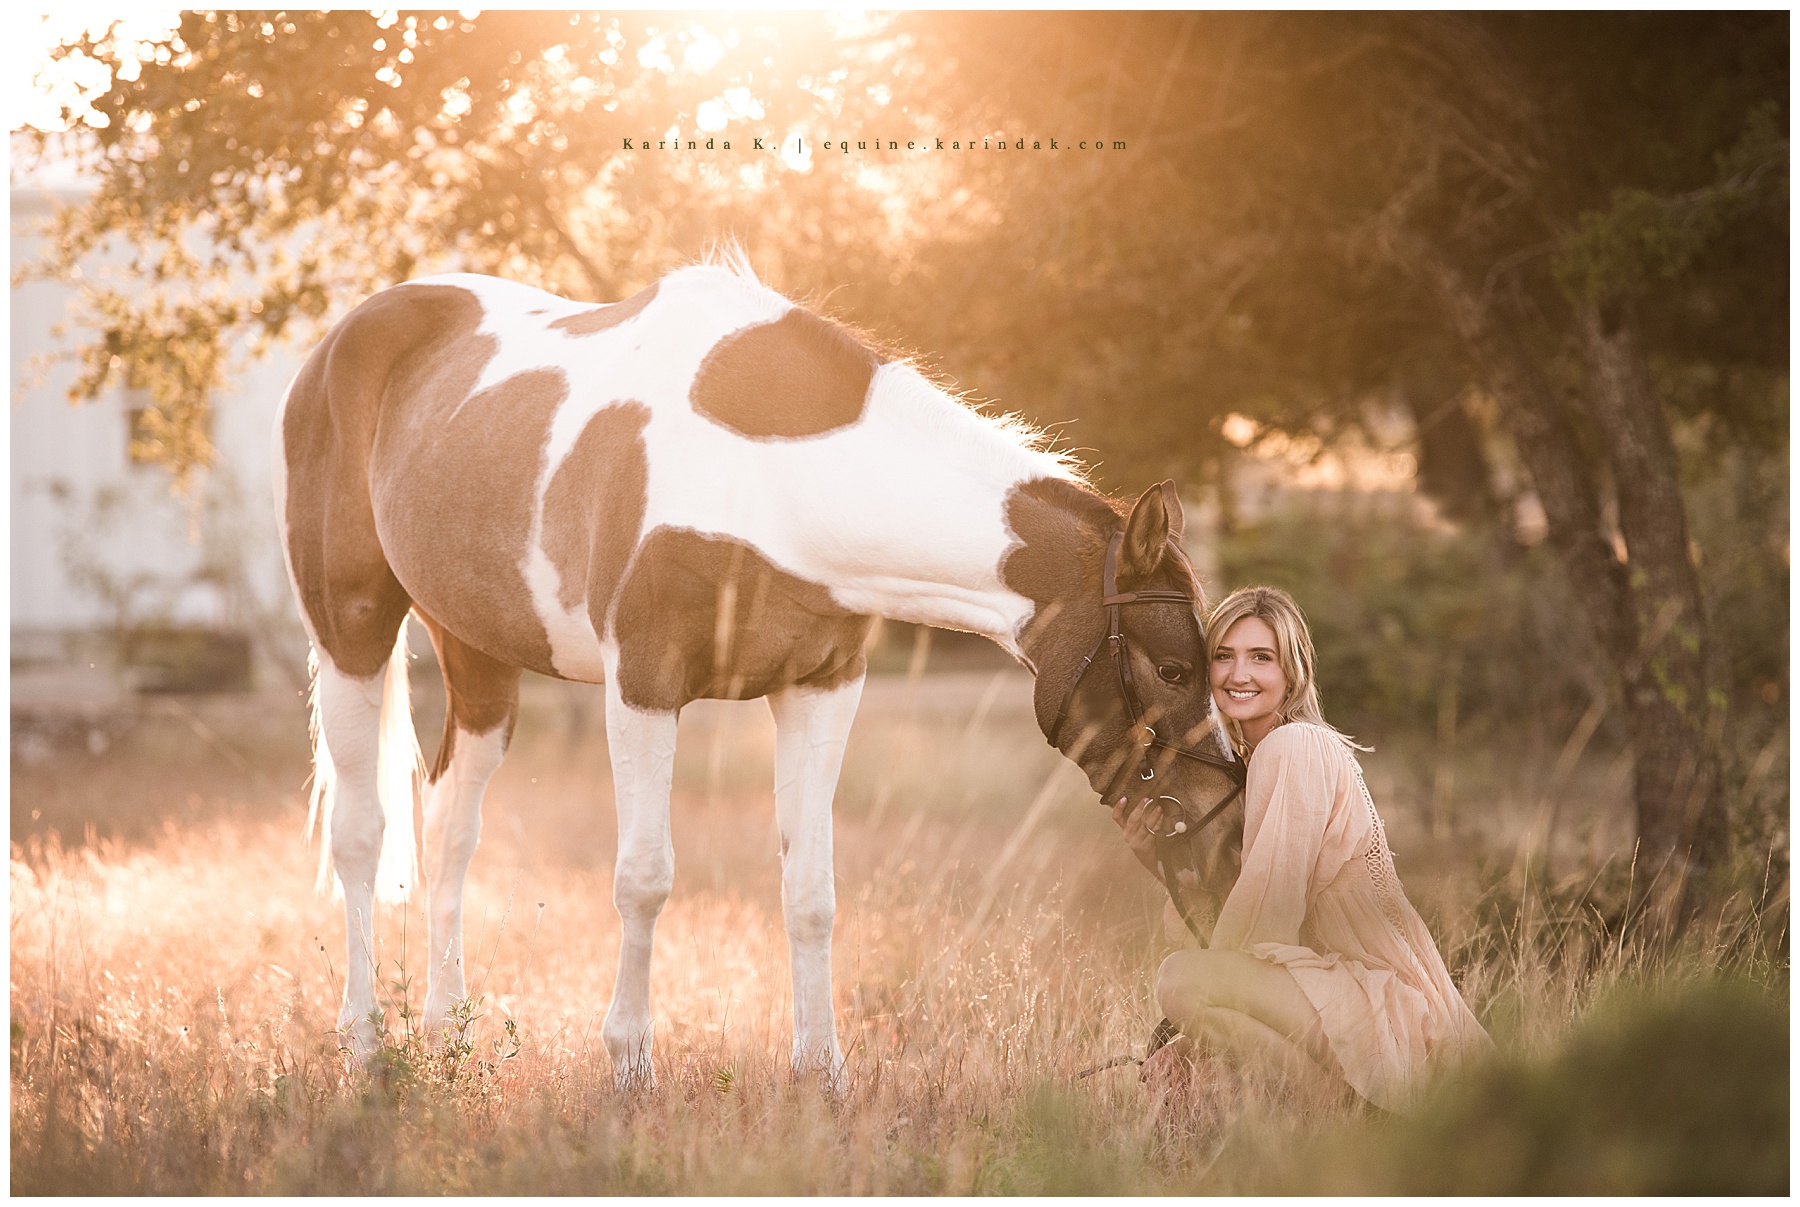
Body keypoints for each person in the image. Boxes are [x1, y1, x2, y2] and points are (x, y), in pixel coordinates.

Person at [1112, 585, 1490, 1112]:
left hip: (1384, 1015)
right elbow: (1230, 923)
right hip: (1336, 998)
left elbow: (1267, 918)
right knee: (1190, 1005)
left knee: (1181, 981)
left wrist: (1192, 1038)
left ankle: (1344, 1118)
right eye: (1223, 656)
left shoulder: (1293, 746)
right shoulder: (1261, 760)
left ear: (1292, 671)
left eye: (1261, 657)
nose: (1239, 674)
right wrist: (1159, 863)